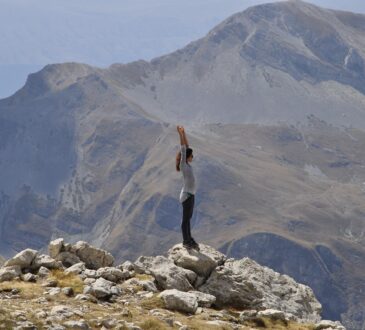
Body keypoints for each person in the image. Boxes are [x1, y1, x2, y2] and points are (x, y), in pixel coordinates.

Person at [176, 125, 200, 251]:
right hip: (186, 195)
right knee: (185, 220)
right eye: (191, 155)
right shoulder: (184, 165)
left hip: (191, 195)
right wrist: (180, 135)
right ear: (187, 157)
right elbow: (184, 148)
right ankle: (186, 241)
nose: (193, 157)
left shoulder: (188, 165)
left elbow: (187, 147)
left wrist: (184, 133)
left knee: (188, 218)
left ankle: (189, 238)